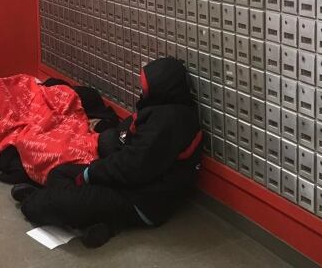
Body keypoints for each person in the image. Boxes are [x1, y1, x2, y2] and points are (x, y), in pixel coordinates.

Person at [11, 57, 202, 248]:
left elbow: (132, 166)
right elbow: (126, 143)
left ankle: (37, 199)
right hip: (129, 185)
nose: (142, 91)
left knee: (50, 205)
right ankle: (105, 224)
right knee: (59, 172)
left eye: (145, 86)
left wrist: (90, 174)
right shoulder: (161, 110)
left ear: (161, 87)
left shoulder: (169, 122)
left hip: (143, 201)